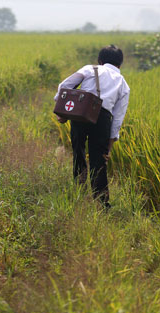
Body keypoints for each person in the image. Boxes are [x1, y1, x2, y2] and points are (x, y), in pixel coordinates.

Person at [54, 44, 130, 209]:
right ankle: (102, 204)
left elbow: (63, 86)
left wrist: (62, 112)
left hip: (81, 113)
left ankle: (78, 194)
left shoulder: (90, 69)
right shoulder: (123, 84)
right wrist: (109, 146)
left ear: (100, 60)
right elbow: (118, 118)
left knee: (79, 154)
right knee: (99, 161)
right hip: (102, 120)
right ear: (120, 64)